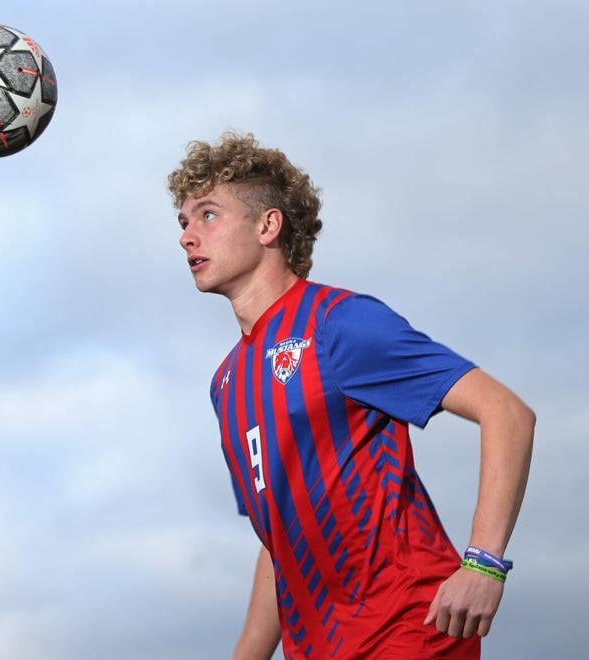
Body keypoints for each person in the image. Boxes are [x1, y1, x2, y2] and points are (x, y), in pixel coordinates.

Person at [168, 132, 535, 659]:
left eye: (207, 215)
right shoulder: (226, 384)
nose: (187, 236)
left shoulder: (339, 323)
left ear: (268, 226)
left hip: (410, 629)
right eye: (183, 222)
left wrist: (484, 564)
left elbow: (506, 412)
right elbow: (279, 542)